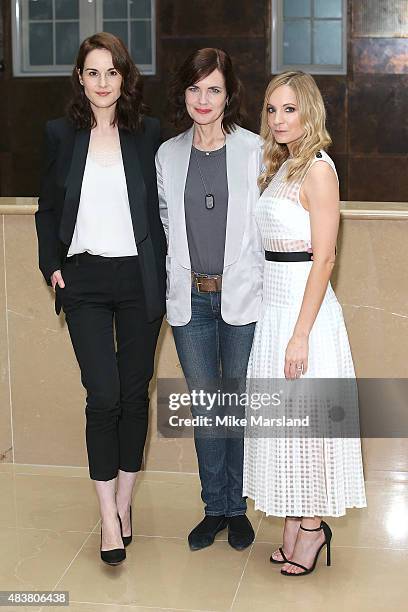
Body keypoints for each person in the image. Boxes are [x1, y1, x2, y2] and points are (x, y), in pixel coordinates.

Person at [35, 33, 166, 565]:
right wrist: (52, 264)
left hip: (139, 280)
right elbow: (47, 208)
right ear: (80, 79)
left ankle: (124, 504)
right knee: (104, 395)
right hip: (84, 280)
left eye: (112, 72)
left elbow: (164, 208)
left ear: (124, 77)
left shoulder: (148, 134)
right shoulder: (59, 134)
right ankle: (106, 515)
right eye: (93, 73)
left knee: (135, 395)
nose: (103, 82)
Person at [243, 71, 366, 576]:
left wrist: (299, 335)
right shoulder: (282, 165)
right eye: (271, 109)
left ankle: (312, 528)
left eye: (288, 109)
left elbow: (324, 257)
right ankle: (295, 519)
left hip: (304, 313)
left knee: (307, 424)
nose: (277, 119)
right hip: (276, 308)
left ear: (308, 111)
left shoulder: (318, 169)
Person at [156, 48, 263, 551]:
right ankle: (213, 507)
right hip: (190, 303)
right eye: (195, 88)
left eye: (213, 89)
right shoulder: (167, 153)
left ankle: (237, 509)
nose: (203, 99)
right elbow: (164, 225)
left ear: (229, 95)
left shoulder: (255, 150)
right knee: (206, 409)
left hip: (239, 299)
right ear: (184, 92)